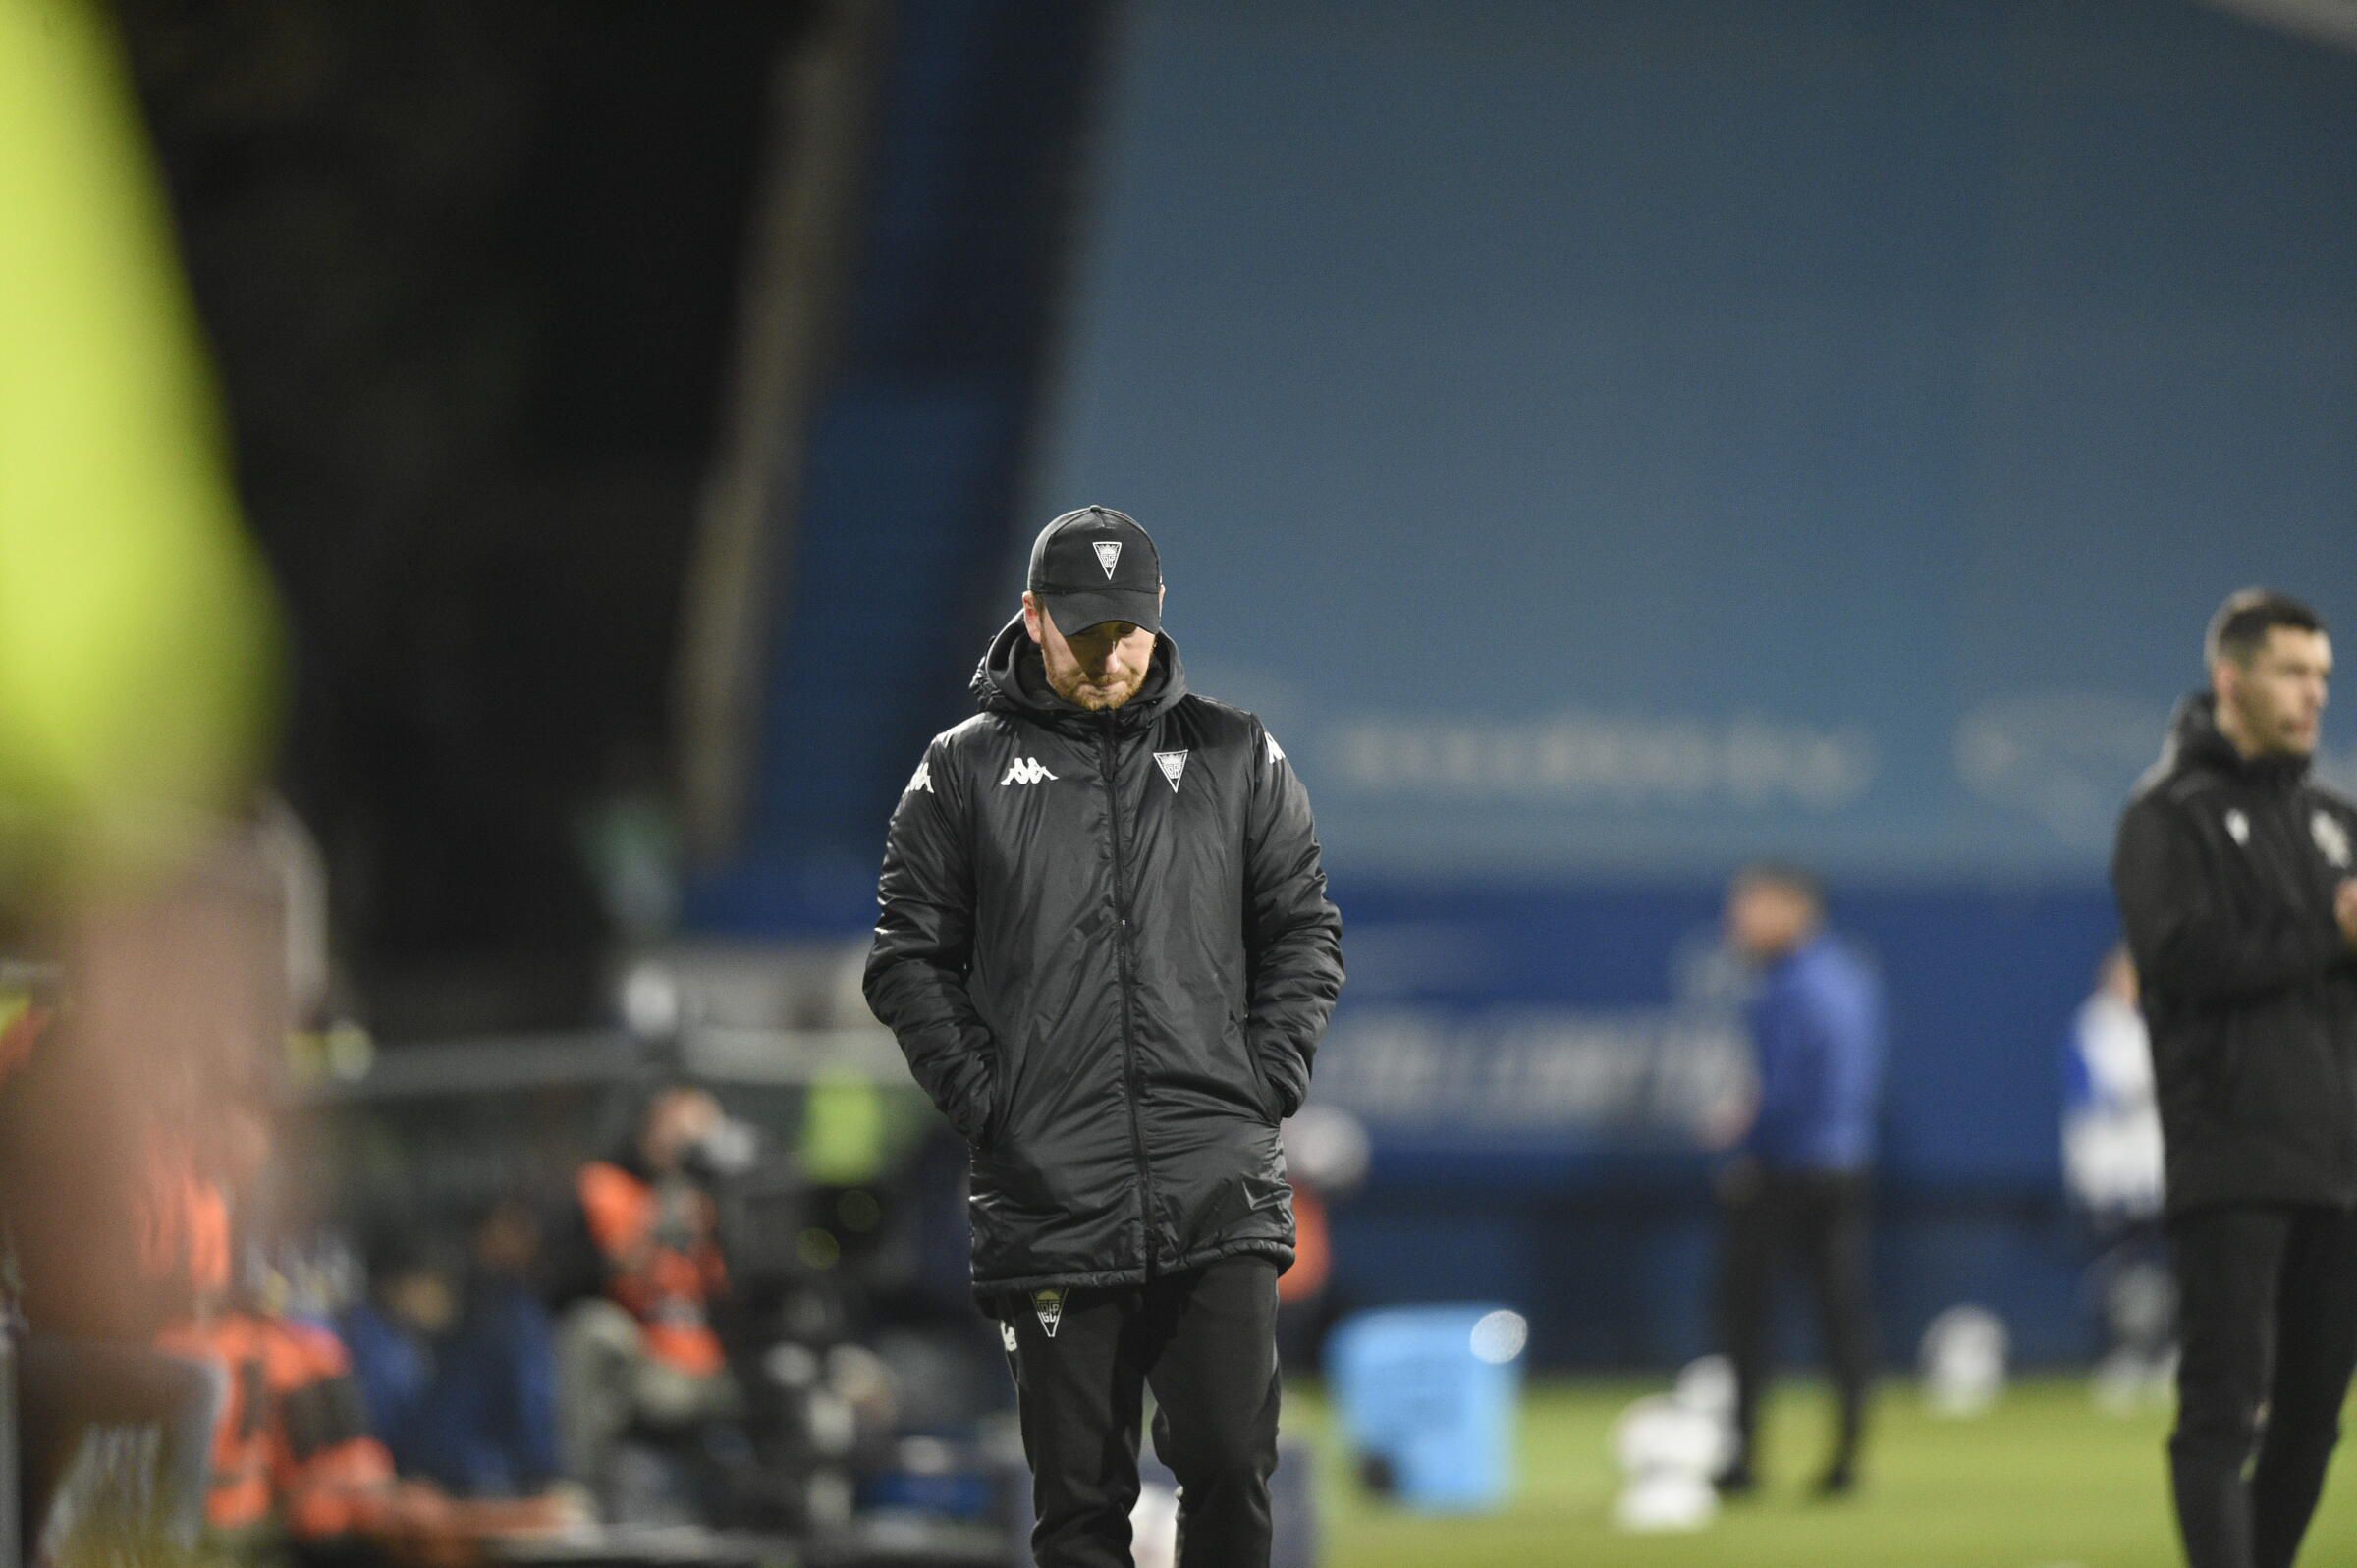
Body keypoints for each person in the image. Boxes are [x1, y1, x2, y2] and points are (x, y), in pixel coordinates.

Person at [863, 506, 1343, 1568]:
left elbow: (1304, 927)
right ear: (1032, 616)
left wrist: (1264, 1078)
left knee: (1229, 1459)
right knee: (1078, 1505)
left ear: (1157, 618)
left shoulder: (1235, 752)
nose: (1110, 652)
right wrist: (996, 1108)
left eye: (1128, 628)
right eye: (1084, 629)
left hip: (1215, 1177)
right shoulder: (961, 771)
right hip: (1050, 1191)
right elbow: (905, 961)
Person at [2111, 588, 2357, 1568]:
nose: (2313, 696)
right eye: (2293, 672)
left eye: (2324, 678)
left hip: (2340, 1166)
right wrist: (2329, 934)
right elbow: (2179, 961)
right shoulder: (2168, 815)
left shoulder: (2335, 818)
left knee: (2312, 1422)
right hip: (2233, 1157)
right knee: (2223, 1412)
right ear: (2232, 679)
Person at [1707, 862, 1884, 1498]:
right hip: (1841, 1165)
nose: (1737, 921)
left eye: (1749, 906)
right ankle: (1846, 1457)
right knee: (1840, 1313)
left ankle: (1745, 1458)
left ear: (1792, 907)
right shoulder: (1850, 975)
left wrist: (1742, 1135)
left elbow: (1787, 1090)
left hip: (1789, 1169)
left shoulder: (1793, 985)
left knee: (1748, 1314)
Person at [552, 1084, 740, 1502]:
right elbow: (567, 1285)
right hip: (650, 1359)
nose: (683, 1145)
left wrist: (723, 1221)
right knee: (590, 1329)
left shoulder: (739, 1199)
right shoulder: (609, 1188)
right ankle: (584, 1495)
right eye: (672, 1130)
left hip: (726, 1363)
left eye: (698, 1135)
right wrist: (655, 1225)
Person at [2061, 946, 2171, 1411]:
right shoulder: (2094, 1026)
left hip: (2157, 1175)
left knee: (2168, 1270)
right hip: (2109, 1177)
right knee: (2113, 1272)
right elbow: (2097, 1095)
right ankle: (2117, 1356)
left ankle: (2165, 1354)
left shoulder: (2156, 1021)